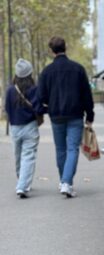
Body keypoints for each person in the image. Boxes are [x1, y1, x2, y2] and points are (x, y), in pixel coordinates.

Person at [37, 36, 94, 198]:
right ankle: (66, 182)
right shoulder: (78, 69)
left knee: (61, 149)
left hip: (56, 116)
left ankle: (64, 182)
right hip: (76, 115)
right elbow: (86, 95)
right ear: (65, 48)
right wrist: (90, 115)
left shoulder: (47, 72)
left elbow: (41, 96)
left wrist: (49, 107)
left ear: (51, 51)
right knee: (72, 148)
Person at [5, 59, 45, 198]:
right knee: (28, 156)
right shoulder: (34, 89)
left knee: (18, 156)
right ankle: (23, 185)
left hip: (15, 127)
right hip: (30, 126)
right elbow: (39, 107)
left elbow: (7, 109)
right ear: (30, 73)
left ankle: (21, 181)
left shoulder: (10, 90)